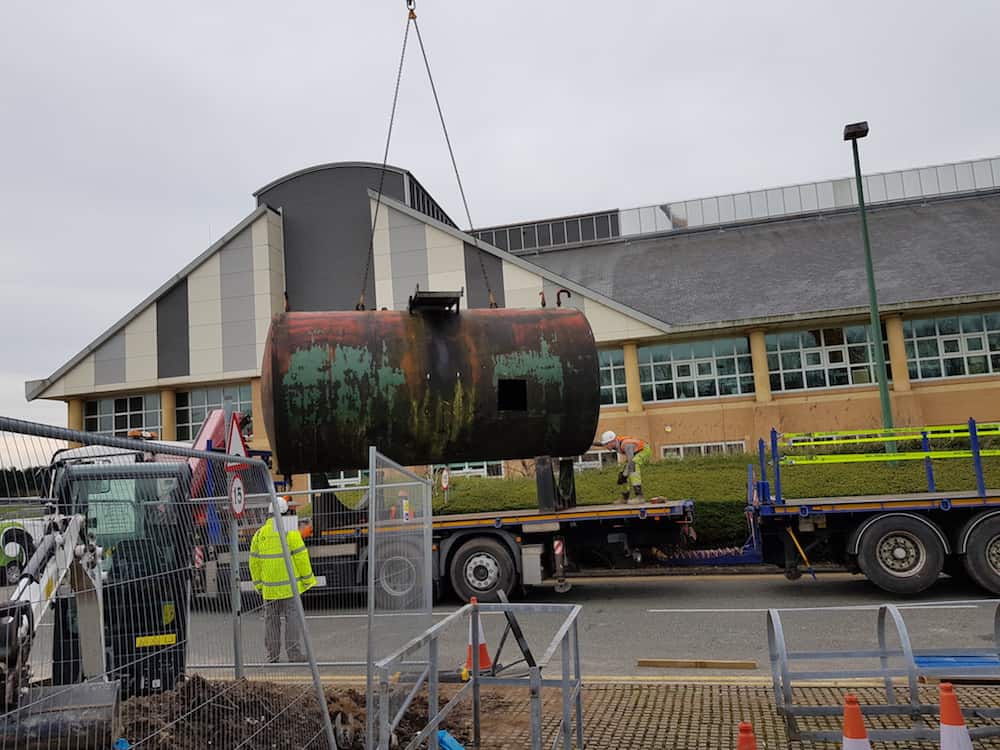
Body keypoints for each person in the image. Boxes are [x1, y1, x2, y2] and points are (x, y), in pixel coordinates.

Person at [249, 497, 316, 662]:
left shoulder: (259, 535)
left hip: (270, 589)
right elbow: (301, 557)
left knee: (271, 621)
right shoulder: (290, 532)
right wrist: (308, 580)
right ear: (285, 514)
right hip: (289, 587)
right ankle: (294, 654)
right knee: (292, 618)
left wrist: (259, 585)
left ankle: (272, 655)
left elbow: (254, 563)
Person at [598, 430, 651, 504]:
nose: (605, 446)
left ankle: (639, 497)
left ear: (612, 441)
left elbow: (630, 461)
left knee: (633, 467)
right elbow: (600, 444)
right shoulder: (614, 443)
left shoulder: (626, 445)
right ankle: (625, 498)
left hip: (644, 450)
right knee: (621, 476)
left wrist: (625, 474)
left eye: (606, 444)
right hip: (634, 455)